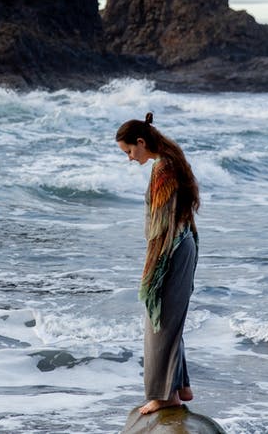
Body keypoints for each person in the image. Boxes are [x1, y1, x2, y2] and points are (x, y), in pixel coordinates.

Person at [115, 111, 200, 415]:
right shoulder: (170, 159)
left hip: (172, 249)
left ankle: (165, 397)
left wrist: (152, 268)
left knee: (158, 321)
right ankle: (181, 387)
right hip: (183, 245)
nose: (129, 158)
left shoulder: (162, 168)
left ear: (141, 142)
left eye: (129, 151)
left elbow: (162, 225)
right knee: (169, 319)